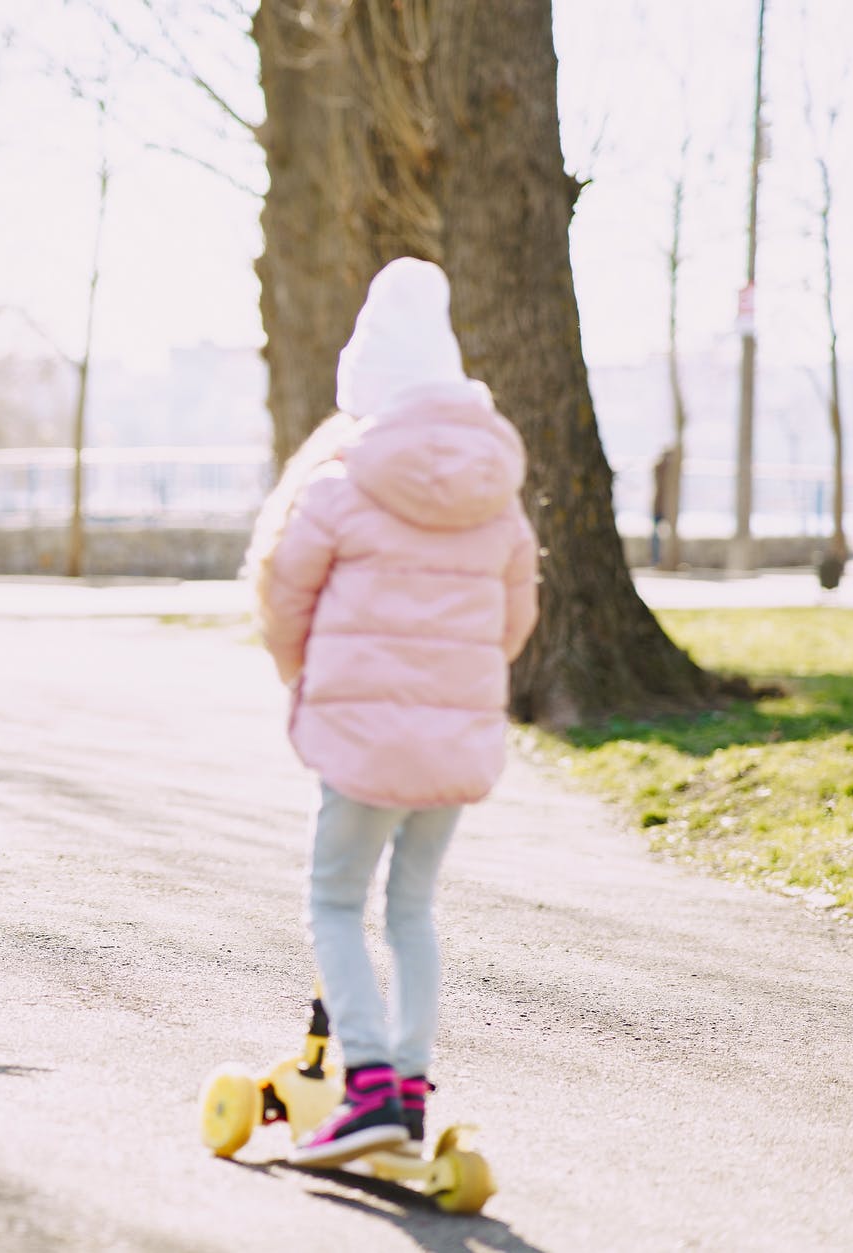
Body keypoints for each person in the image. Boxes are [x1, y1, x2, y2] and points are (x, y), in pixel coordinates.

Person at [244, 257, 538, 1166]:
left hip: (361, 740)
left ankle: (364, 1081)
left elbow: (283, 599)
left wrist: (308, 682)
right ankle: (407, 1085)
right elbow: (515, 620)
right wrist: (456, 691)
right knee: (412, 907)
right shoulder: (500, 498)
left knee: (334, 898)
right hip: (451, 739)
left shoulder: (336, 483)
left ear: (364, 387)